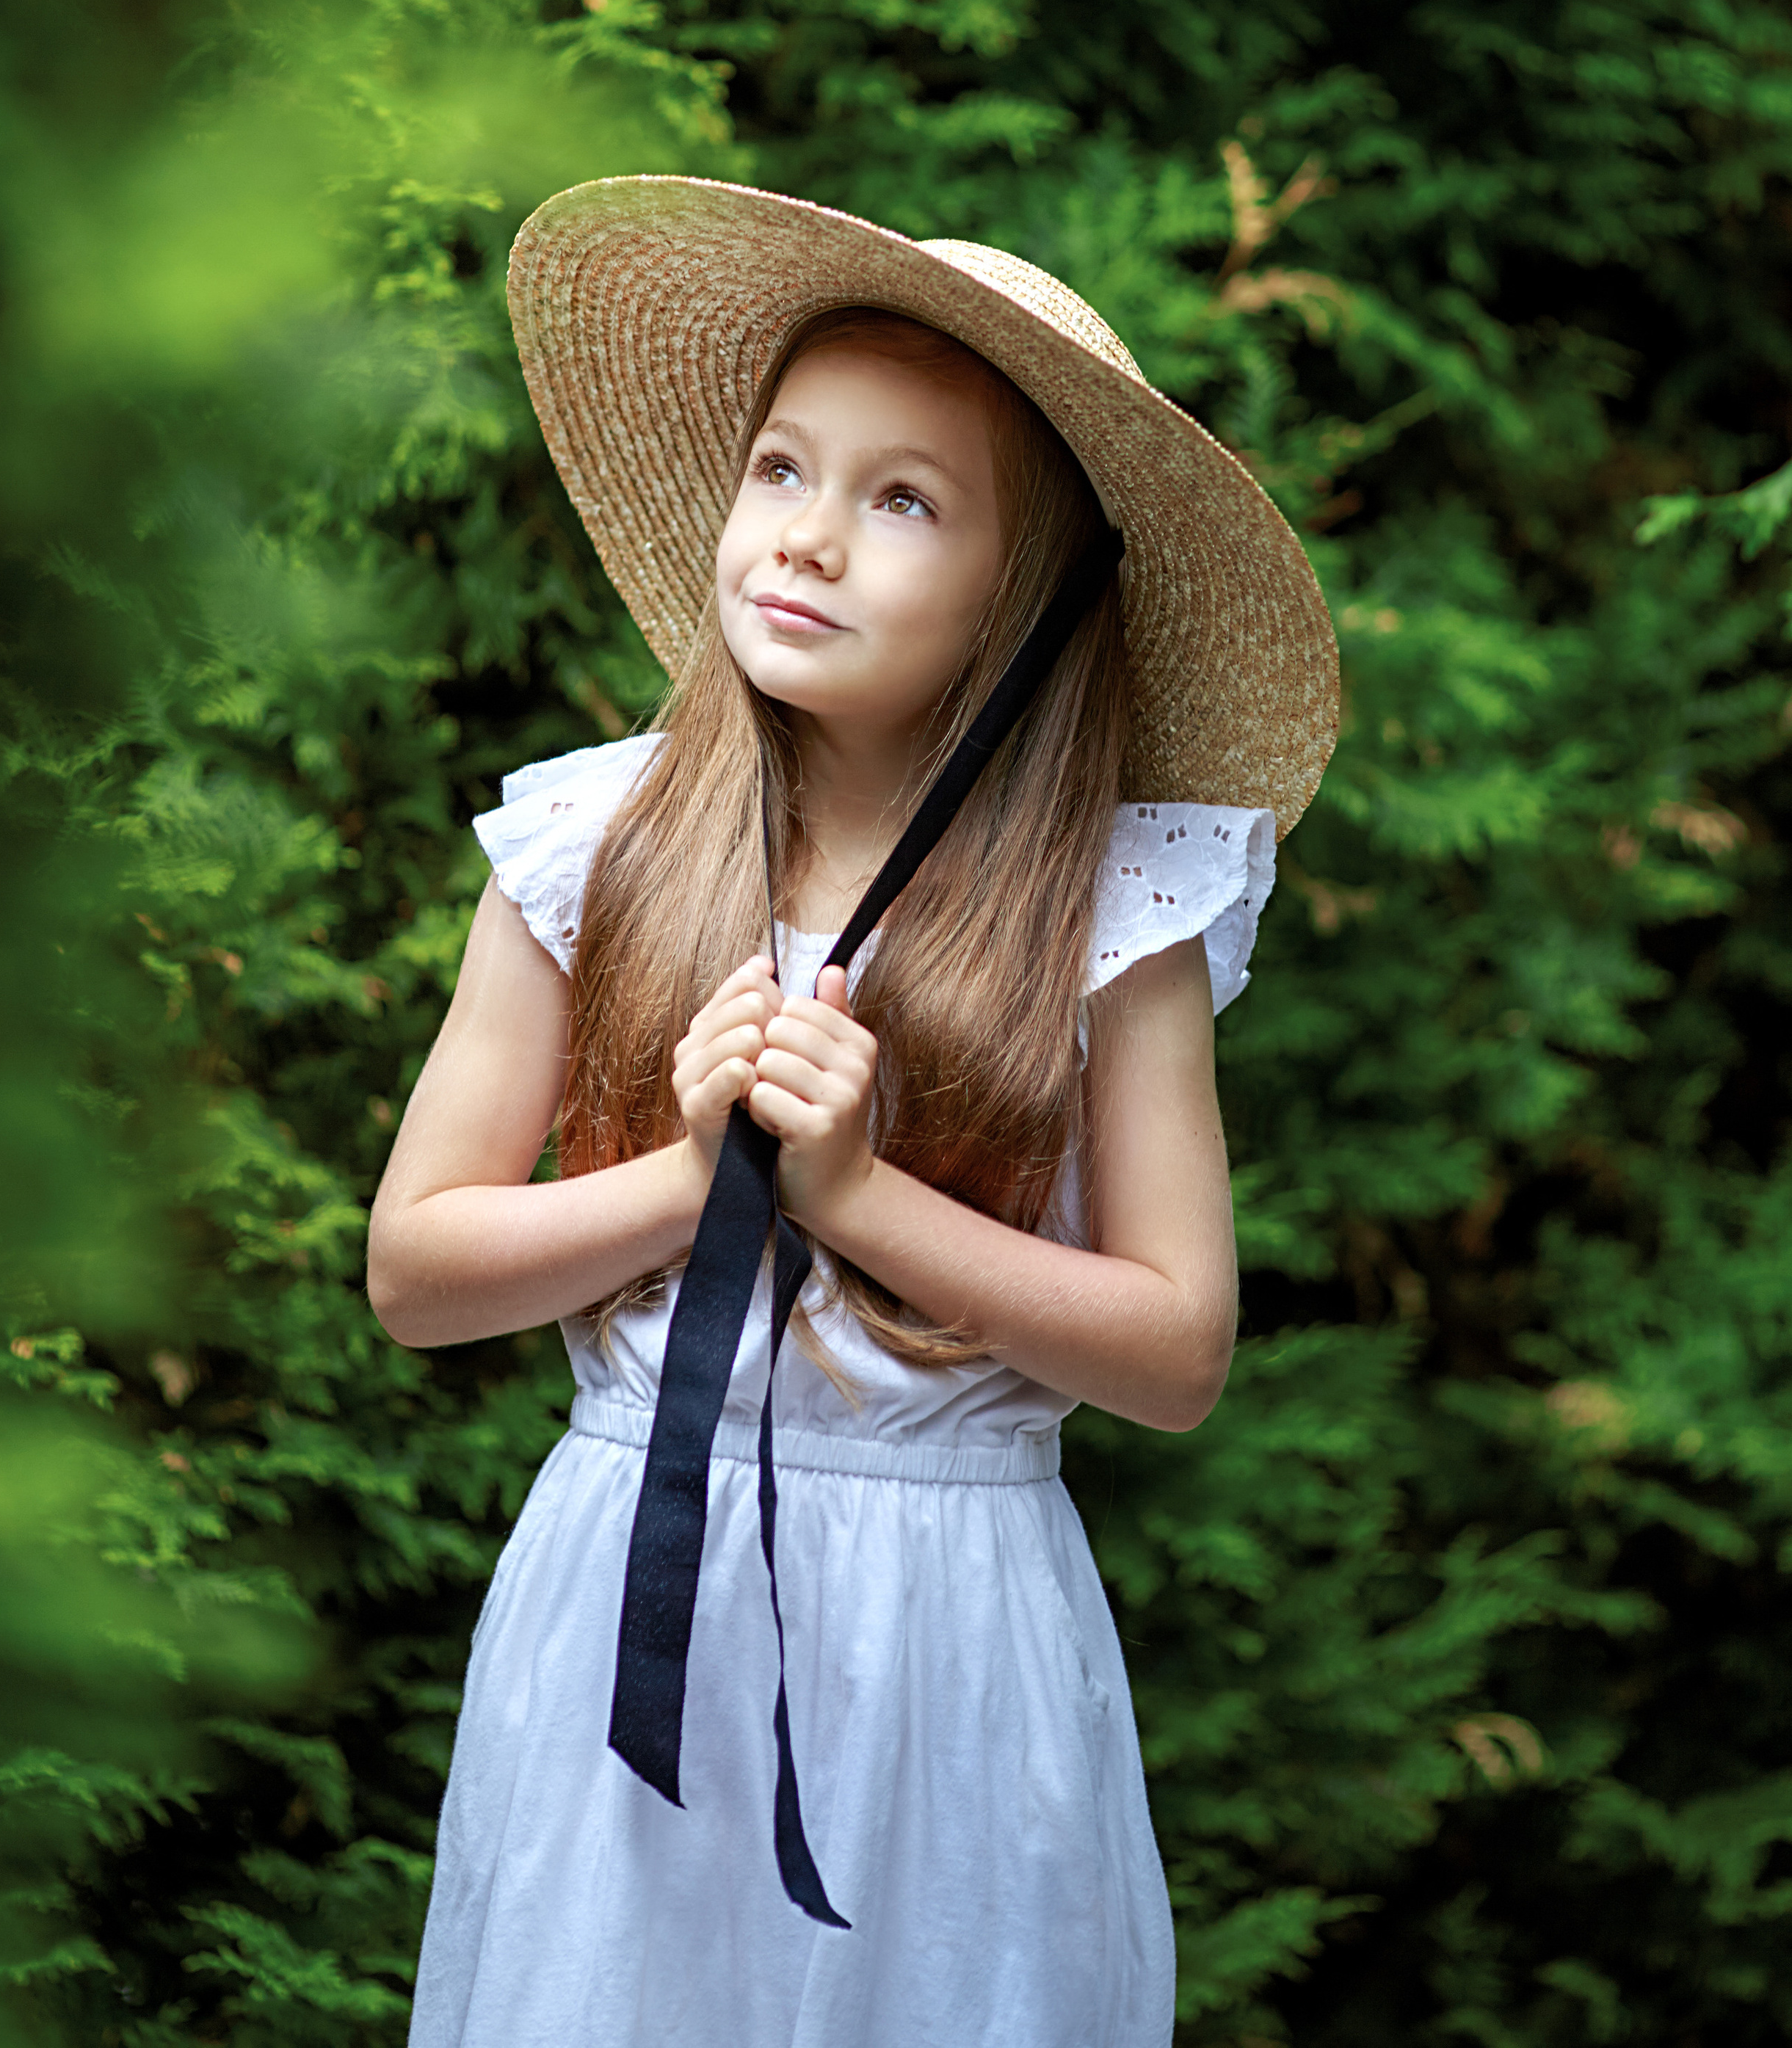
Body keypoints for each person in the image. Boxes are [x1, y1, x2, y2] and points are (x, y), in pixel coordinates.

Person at [368, 177, 1337, 2048]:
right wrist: (685, 1177)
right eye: (781, 471)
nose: (806, 539)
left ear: (1024, 591)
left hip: (954, 1632)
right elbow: (417, 1271)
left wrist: (860, 1194)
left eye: (902, 501)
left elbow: (1177, 1351)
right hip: (621, 1612)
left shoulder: (1110, 909)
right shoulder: (596, 844)